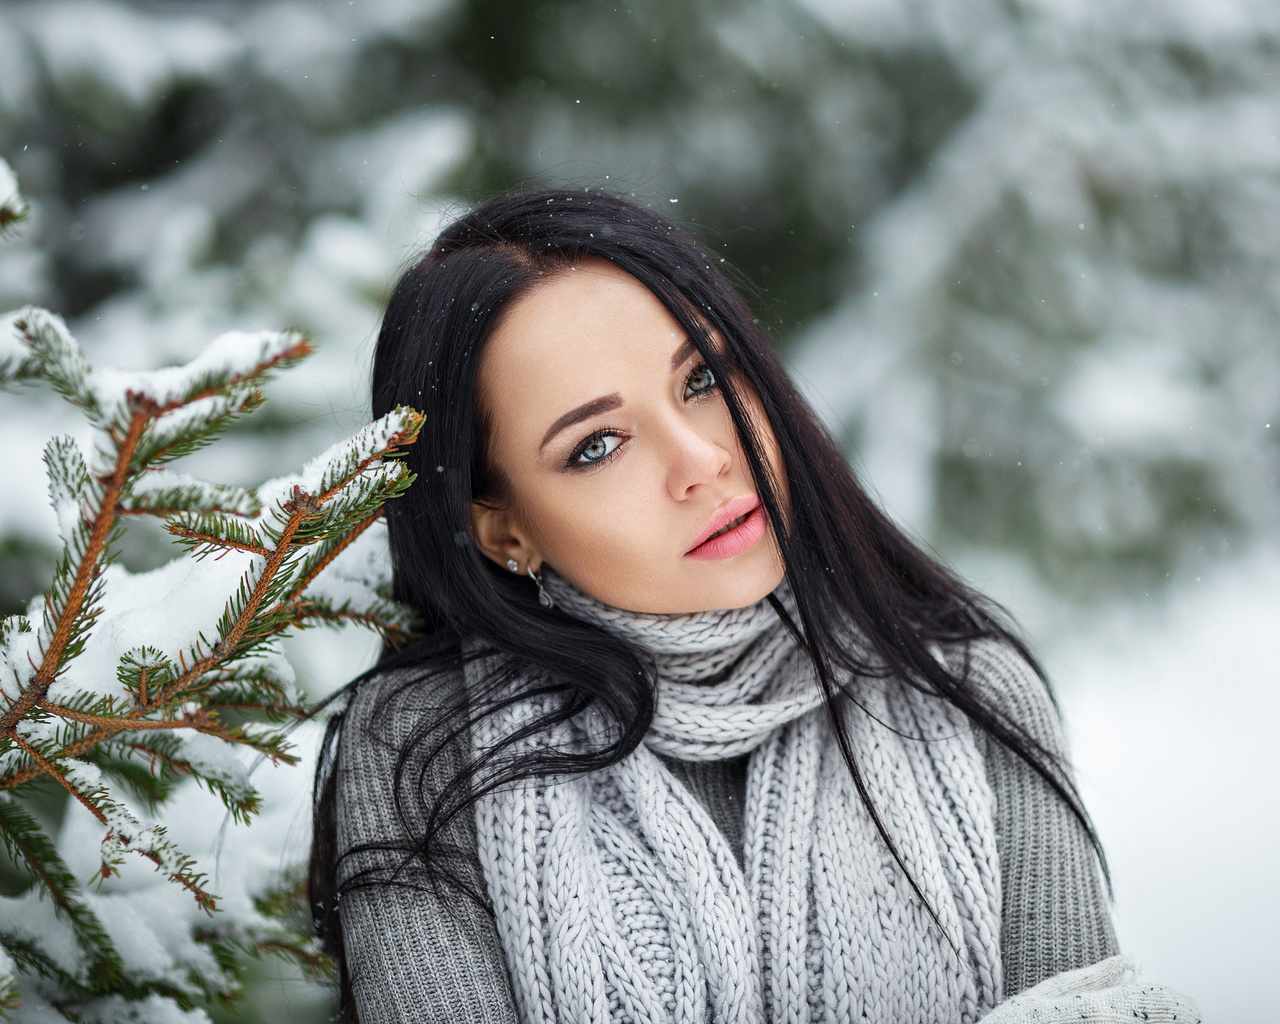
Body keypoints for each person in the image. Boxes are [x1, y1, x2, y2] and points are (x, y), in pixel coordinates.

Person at [309, 189, 1193, 1024]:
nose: (701, 459)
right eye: (598, 445)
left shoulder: (964, 687)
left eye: (701, 381)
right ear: (504, 532)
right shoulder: (425, 752)